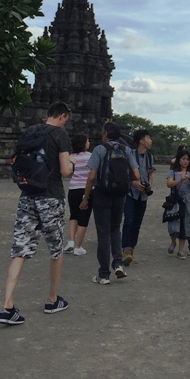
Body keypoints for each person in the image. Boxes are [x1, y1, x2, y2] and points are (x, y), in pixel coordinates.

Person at [0, 101, 73, 326]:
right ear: (62, 116)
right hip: (50, 196)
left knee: (19, 248)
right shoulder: (59, 135)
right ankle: (52, 300)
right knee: (55, 248)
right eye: (66, 120)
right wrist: (72, 164)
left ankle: (7, 306)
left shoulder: (29, 132)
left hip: (27, 195)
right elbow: (65, 171)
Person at [80, 121, 140, 285]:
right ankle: (118, 264)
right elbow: (136, 173)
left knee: (103, 233)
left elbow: (92, 176)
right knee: (115, 229)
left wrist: (86, 198)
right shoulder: (126, 150)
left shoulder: (100, 149)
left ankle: (104, 274)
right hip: (120, 195)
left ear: (106, 133)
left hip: (102, 194)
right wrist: (125, 181)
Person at [122, 129, 154, 266]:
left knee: (137, 224)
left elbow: (150, 174)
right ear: (141, 141)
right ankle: (125, 251)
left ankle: (131, 251)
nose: (151, 140)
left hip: (143, 196)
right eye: (148, 138)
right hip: (130, 193)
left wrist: (148, 185)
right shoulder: (130, 154)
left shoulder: (150, 157)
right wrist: (134, 182)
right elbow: (123, 173)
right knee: (129, 221)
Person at [166, 148, 190, 258]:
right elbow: (169, 184)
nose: (185, 161)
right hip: (176, 200)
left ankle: (181, 250)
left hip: (188, 201)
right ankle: (173, 241)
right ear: (178, 160)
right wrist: (180, 179)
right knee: (173, 222)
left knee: (185, 224)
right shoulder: (173, 172)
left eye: (187, 159)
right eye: (183, 159)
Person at [64, 133, 91, 256]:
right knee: (83, 218)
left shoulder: (70, 157)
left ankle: (71, 241)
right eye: (87, 141)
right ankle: (78, 247)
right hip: (86, 189)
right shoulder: (90, 157)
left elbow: (68, 173)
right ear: (83, 144)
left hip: (73, 188)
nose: (89, 143)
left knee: (73, 215)